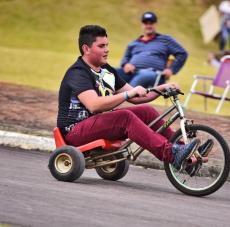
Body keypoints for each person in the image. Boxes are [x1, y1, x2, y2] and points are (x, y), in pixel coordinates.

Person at [57, 25, 200, 170]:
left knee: (147, 111)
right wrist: (127, 94)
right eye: (101, 46)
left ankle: (187, 153)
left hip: (96, 125)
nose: (107, 49)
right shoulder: (78, 72)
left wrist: (161, 89)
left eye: (107, 45)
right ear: (86, 49)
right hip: (74, 131)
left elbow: (136, 97)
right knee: (125, 117)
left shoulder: (107, 71)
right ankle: (172, 154)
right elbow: (94, 105)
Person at [116, 11, 188, 88]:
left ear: (156, 24)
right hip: (131, 72)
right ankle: (108, 98)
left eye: (151, 23)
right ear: (142, 25)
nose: (148, 25)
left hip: (154, 74)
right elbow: (125, 59)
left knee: (143, 76)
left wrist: (171, 70)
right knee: (112, 73)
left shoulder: (165, 40)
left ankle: (128, 97)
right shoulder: (133, 43)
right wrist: (126, 64)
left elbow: (182, 53)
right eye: (146, 23)